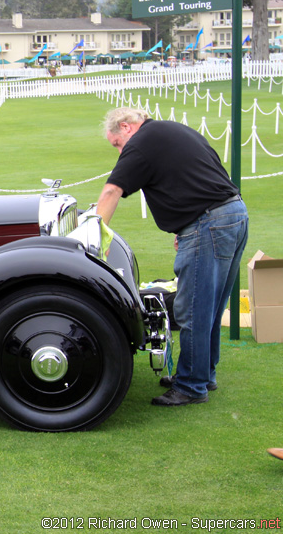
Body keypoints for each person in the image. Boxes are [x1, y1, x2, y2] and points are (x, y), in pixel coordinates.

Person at [96, 107, 248, 407]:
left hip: (209, 222)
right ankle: (203, 374)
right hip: (232, 214)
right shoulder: (174, 130)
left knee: (192, 308)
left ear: (126, 127)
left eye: (116, 144)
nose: (119, 151)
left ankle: (191, 385)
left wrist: (93, 234)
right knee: (211, 306)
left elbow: (112, 190)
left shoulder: (141, 142)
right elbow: (196, 176)